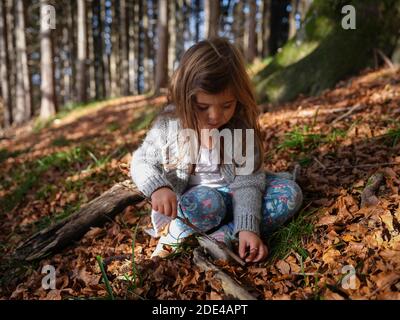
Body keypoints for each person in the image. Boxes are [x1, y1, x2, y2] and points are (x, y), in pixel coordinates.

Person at [130, 37, 303, 263]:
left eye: (226, 106)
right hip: (197, 206)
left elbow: (248, 181)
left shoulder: (239, 129)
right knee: (207, 201)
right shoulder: (170, 124)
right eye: (203, 107)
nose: (215, 116)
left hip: (237, 199)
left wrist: (248, 227)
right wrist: (158, 187)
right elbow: (141, 160)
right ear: (186, 98)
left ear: (238, 99)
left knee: (290, 193)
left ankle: (223, 237)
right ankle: (174, 237)